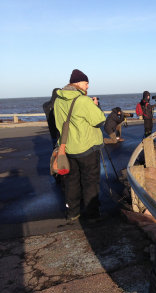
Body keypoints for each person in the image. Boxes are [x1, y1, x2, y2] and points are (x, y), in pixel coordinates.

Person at [54, 69, 106, 222]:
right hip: (87, 148)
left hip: (68, 149)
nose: (88, 87)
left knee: (72, 181)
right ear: (77, 83)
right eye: (86, 83)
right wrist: (95, 105)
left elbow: (59, 123)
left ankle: (72, 212)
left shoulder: (58, 100)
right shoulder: (82, 101)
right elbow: (99, 120)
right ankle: (92, 214)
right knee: (90, 181)